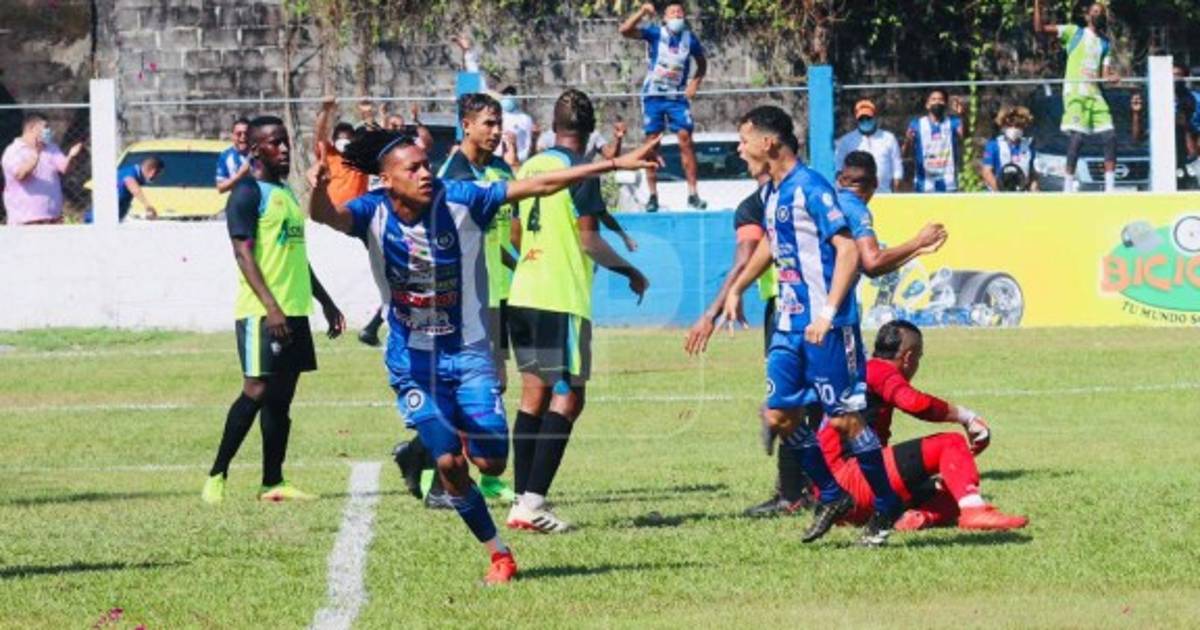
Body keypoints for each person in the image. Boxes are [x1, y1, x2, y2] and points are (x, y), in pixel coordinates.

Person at [307, 123, 658, 584]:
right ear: (387, 179)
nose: (426, 173)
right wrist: (317, 190)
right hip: (413, 363)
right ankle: (499, 553)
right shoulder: (371, 212)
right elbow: (326, 216)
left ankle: (453, 429)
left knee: (491, 462)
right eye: (413, 169)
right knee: (449, 463)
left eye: (426, 165)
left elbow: (541, 184)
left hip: (469, 354)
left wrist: (611, 164)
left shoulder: (462, 198)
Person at [721, 106, 906, 547]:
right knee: (779, 414)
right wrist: (737, 287)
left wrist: (827, 312)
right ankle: (831, 493)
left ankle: (886, 504)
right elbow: (771, 243)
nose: (739, 149)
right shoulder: (772, 192)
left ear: (768, 142)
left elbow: (848, 251)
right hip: (788, 325)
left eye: (744, 140)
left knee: (845, 421)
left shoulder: (812, 187)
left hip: (827, 326)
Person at [504, 89, 651, 534]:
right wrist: (630, 271)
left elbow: (515, 234)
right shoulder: (581, 170)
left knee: (533, 394)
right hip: (560, 297)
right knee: (568, 397)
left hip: (524, 291)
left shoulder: (530, 167)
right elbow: (588, 239)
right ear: (590, 130)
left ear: (553, 127)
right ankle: (532, 504)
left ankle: (520, 501)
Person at [201, 115, 346, 505]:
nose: (284, 149)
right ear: (255, 149)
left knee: (281, 399)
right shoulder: (247, 193)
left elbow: (297, 257)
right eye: (274, 143)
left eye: (286, 142)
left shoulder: (286, 194)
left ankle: (273, 481)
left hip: (294, 310)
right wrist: (271, 307)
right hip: (262, 312)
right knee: (256, 389)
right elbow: (243, 254)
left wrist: (326, 302)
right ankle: (217, 474)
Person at [685, 173, 818, 518]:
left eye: (745, 146)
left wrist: (714, 310)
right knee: (821, 395)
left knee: (789, 397)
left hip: (787, 308)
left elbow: (745, 258)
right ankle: (817, 486)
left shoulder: (755, 205)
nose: (741, 151)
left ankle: (793, 493)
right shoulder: (811, 188)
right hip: (823, 302)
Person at [820, 320, 1028, 532]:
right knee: (951, 443)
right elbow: (914, 403)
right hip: (852, 480)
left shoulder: (860, 373)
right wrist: (967, 417)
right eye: (918, 358)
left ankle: (916, 518)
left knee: (953, 493)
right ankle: (975, 512)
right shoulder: (877, 369)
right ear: (908, 357)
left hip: (841, 499)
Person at [621, 2, 708, 211]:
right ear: (665, 19)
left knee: (685, 139)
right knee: (652, 143)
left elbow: (702, 63)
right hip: (654, 95)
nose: (677, 14)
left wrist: (695, 83)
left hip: (676, 97)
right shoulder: (656, 33)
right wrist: (642, 12)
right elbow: (625, 31)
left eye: (680, 12)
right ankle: (653, 195)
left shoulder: (689, 39)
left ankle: (693, 194)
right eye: (672, 12)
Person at [1034, 0, 1120, 192]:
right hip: (1076, 92)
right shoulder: (1074, 32)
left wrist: (1111, 78)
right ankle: (1068, 185)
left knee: (1110, 136)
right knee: (1078, 137)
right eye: (1094, 11)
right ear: (1087, 15)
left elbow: (1104, 75)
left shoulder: (1105, 43)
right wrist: (1038, 5)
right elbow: (1040, 29)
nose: (1098, 15)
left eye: (1101, 12)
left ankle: (1110, 187)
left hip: (1095, 93)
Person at [1, 113, 84, 225]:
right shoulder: (13, 151)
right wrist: (36, 155)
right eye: (45, 127)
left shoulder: (51, 148)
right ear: (31, 128)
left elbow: (65, 168)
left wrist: (72, 156)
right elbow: (20, 175)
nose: (49, 131)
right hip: (26, 221)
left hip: (53, 219)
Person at [903, 88, 968, 193]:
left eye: (940, 99)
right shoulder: (916, 124)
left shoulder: (953, 122)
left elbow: (965, 135)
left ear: (945, 104)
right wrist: (907, 141)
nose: (937, 102)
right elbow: (905, 153)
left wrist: (963, 115)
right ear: (927, 104)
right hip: (924, 184)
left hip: (949, 182)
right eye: (933, 99)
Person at [835, 99, 903, 193]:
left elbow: (897, 168)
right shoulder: (846, 141)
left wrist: (896, 191)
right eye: (861, 119)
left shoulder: (889, 138)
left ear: (875, 117)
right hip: (857, 195)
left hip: (884, 193)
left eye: (868, 118)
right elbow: (839, 168)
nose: (865, 121)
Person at [981, 106, 1040, 192]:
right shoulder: (994, 145)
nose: (1014, 129)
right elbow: (987, 172)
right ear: (1004, 127)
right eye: (1010, 126)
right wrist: (1000, 192)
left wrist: (1034, 192)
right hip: (998, 192)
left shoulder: (1029, 147)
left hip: (1022, 191)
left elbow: (1033, 174)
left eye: (1018, 126)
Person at [536, 119, 627, 163]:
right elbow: (536, 159)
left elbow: (610, 156)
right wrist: (533, 139)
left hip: (584, 184)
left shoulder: (593, 135)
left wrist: (618, 139)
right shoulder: (549, 136)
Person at [115, 156, 164, 221]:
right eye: (158, 174)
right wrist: (148, 206)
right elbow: (131, 184)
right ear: (152, 172)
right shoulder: (131, 173)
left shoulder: (132, 172)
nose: (157, 178)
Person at [498, 86, 535, 163]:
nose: (508, 97)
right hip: (499, 160)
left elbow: (528, 141)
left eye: (511, 94)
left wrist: (521, 157)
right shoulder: (496, 116)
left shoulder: (525, 118)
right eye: (505, 94)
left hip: (518, 160)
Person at [215, 117, 252, 194]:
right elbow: (221, 188)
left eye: (246, 134)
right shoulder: (225, 157)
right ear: (233, 136)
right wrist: (240, 175)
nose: (243, 137)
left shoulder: (260, 155)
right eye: (239, 134)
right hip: (238, 200)